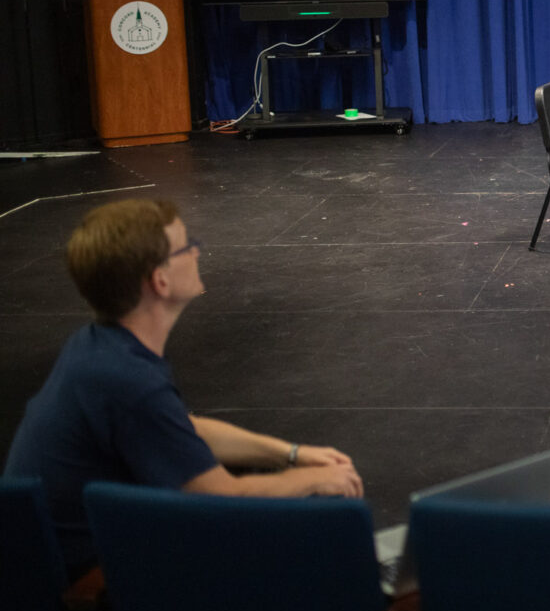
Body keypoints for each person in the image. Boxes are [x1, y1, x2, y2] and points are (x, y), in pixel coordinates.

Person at [4, 198, 364, 579]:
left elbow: (182, 430)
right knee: (312, 538)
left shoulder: (95, 345)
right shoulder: (129, 381)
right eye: (187, 246)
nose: (196, 251)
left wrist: (291, 454)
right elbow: (220, 499)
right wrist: (313, 479)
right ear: (160, 280)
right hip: (83, 578)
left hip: (45, 555)